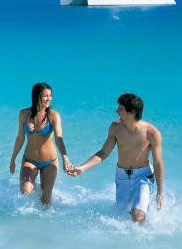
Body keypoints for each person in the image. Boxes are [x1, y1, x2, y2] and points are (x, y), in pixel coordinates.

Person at [69, 93, 164, 223]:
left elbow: (158, 163)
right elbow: (103, 153)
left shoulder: (152, 133)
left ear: (132, 112)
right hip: (122, 177)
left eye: (121, 108)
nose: (116, 111)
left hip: (143, 177)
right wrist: (83, 168)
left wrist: (160, 192)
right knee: (122, 217)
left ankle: (142, 241)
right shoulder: (115, 128)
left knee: (138, 215)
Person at [9, 82, 73, 206]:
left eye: (50, 95)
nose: (48, 98)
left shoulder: (54, 116)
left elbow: (59, 139)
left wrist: (65, 157)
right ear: (36, 96)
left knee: (45, 201)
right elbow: (20, 138)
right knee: (25, 193)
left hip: (50, 162)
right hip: (29, 159)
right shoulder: (24, 114)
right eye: (45, 96)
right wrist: (13, 160)